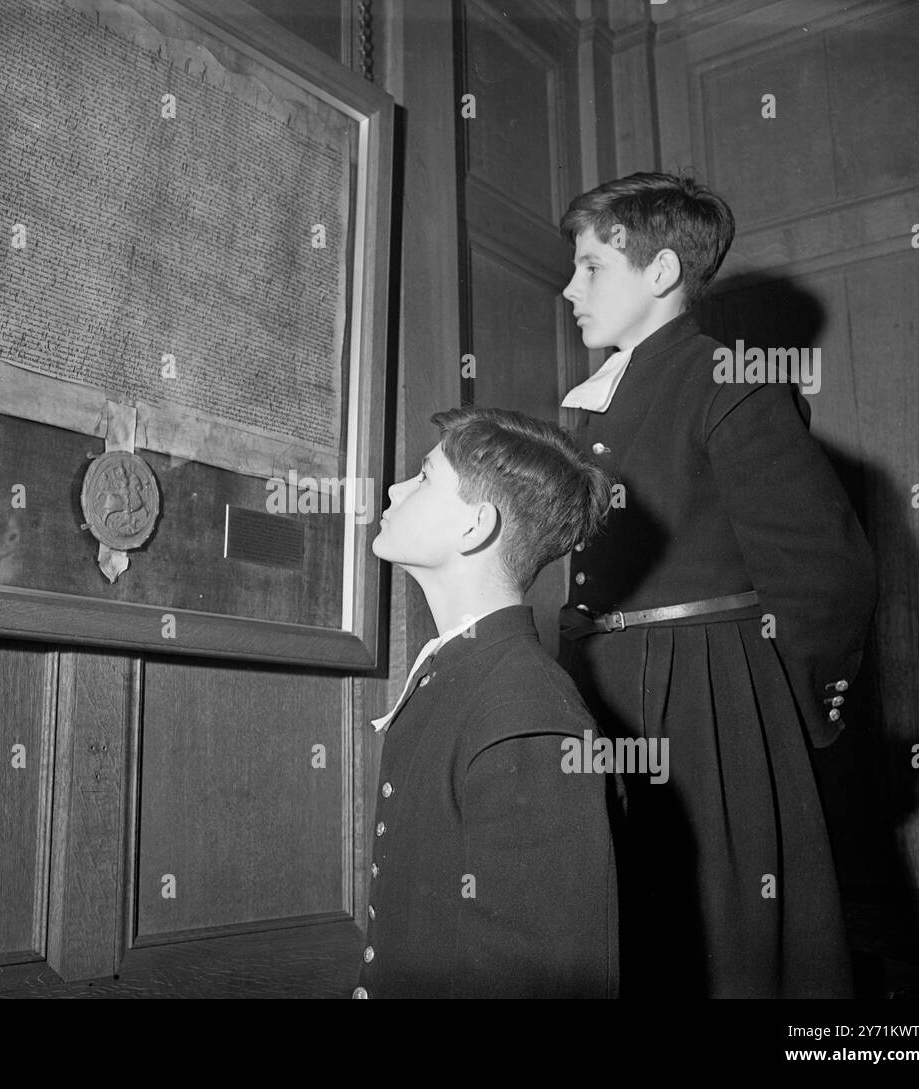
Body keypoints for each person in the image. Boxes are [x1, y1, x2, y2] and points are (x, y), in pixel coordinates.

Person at [556, 171, 877, 997]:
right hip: (606, 693)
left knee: (720, 945)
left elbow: (825, 573)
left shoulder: (728, 374)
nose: (570, 287)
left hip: (707, 693)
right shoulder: (596, 400)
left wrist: (770, 715)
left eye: (592, 265)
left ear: (661, 271)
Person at [355, 407, 618, 998]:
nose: (394, 489)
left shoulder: (529, 712)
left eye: (423, 477)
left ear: (476, 526)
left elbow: (538, 978)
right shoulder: (462, 675)